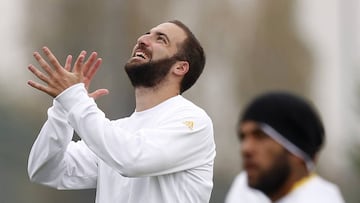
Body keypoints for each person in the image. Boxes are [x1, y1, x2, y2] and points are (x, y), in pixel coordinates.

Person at [27, 20, 216, 203]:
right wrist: (63, 109)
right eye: (146, 34)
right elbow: (44, 170)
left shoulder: (194, 122)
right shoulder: (117, 134)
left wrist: (75, 100)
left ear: (180, 67)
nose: (142, 40)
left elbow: (131, 159)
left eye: (161, 39)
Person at [225, 92, 345, 203]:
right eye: (243, 137)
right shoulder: (244, 188)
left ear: (297, 152)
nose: (246, 149)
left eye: (260, 136)